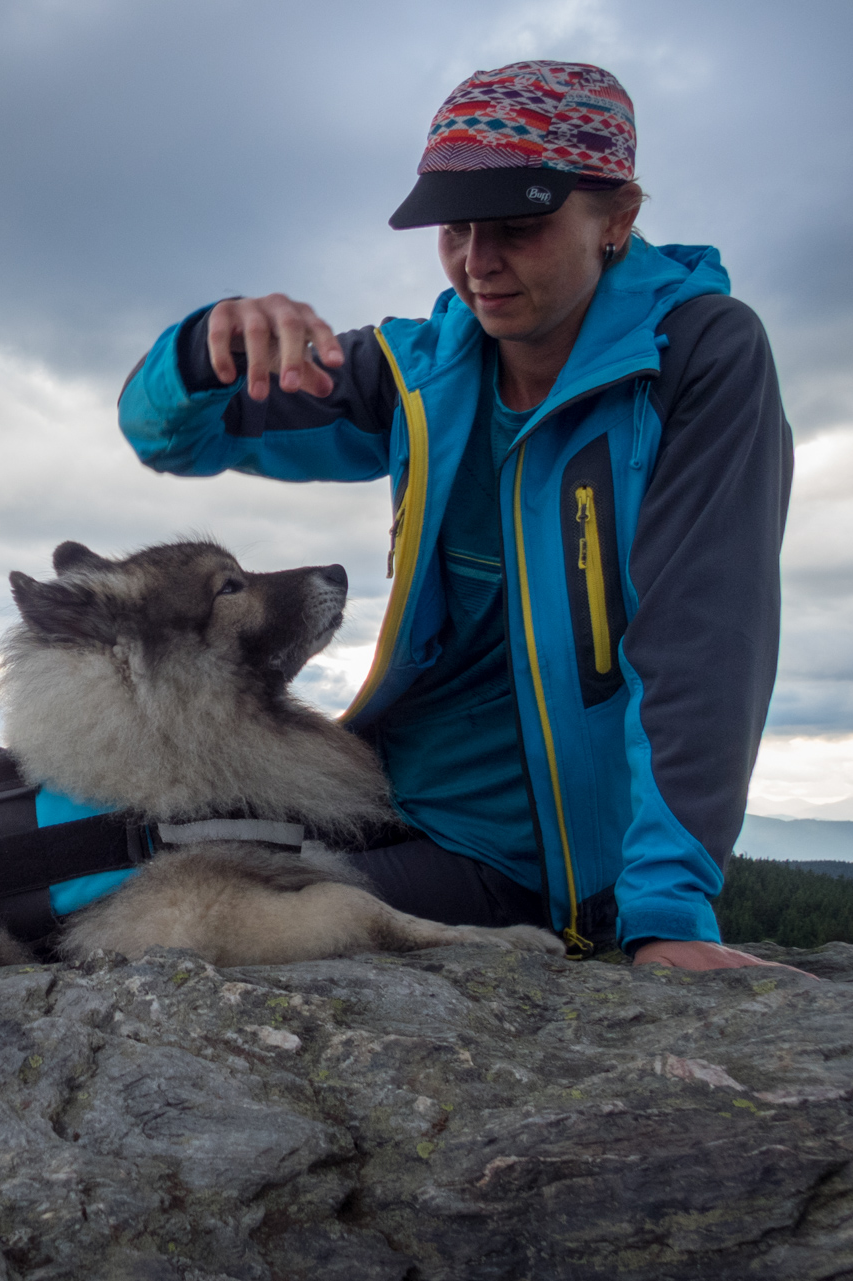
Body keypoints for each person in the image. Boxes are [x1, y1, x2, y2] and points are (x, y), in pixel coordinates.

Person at [117, 61, 795, 972]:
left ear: (619, 218)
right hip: (381, 802)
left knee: (173, 912)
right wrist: (204, 352)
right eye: (456, 228)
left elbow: (703, 635)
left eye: (518, 226)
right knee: (88, 847)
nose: (478, 262)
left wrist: (667, 914)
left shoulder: (696, 358)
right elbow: (168, 436)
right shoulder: (417, 370)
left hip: (530, 865)